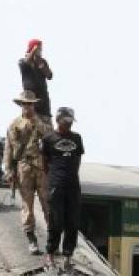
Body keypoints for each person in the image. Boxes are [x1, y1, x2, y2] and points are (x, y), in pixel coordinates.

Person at [3, 90, 50, 253]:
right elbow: (8, 149)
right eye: (24, 104)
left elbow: (50, 136)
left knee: (48, 205)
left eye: (30, 104)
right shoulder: (14, 125)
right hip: (24, 168)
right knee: (27, 207)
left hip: (42, 168)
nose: (27, 107)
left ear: (34, 105)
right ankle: (32, 239)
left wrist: (35, 120)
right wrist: (8, 170)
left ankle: (53, 241)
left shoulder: (43, 122)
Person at [42, 107, 85, 267]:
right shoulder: (48, 138)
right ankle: (50, 253)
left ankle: (68, 255)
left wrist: (70, 175)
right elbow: (44, 162)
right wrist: (54, 178)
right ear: (58, 121)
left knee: (72, 222)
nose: (69, 125)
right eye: (66, 122)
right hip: (56, 185)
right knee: (56, 221)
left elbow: (78, 160)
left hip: (73, 185)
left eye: (70, 122)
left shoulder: (77, 138)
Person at [18, 39, 54, 121]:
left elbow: (49, 76)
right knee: (29, 122)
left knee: (45, 123)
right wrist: (33, 51)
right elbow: (27, 62)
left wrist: (40, 64)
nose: (40, 51)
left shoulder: (42, 62)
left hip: (43, 100)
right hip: (30, 99)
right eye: (39, 49)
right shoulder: (22, 61)